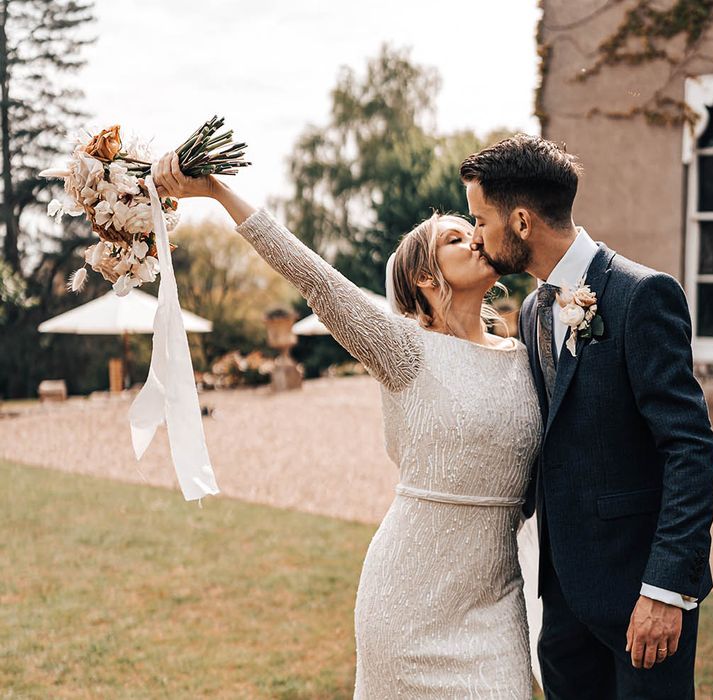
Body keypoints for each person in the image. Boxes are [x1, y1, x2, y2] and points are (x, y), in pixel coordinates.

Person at [152, 150, 542, 698]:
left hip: (497, 605)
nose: (476, 239)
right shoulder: (404, 351)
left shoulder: (527, 358)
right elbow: (320, 282)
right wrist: (218, 192)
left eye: (471, 229)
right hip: (407, 607)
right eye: (457, 238)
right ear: (426, 278)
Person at [461, 134, 713, 699]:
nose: (477, 236)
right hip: (562, 602)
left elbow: (690, 449)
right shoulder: (531, 311)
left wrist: (666, 589)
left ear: (522, 222)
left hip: (640, 601)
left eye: (481, 220)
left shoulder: (641, 295)